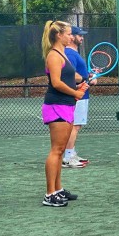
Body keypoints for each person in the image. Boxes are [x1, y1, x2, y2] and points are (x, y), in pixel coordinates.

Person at [41, 20, 88, 207]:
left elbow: (67, 79)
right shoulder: (53, 55)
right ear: (58, 35)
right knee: (56, 150)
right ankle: (49, 194)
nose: (71, 36)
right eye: (68, 33)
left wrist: (79, 85)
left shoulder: (64, 54)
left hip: (66, 105)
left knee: (60, 152)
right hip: (56, 106)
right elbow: (57, 83)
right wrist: (76, 92)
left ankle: (57, 189)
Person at [63, 26, 96, 168]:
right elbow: (70, 75)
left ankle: (71, 153)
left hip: (82, 94)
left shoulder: (74, 53)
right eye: (79, 35)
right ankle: (68, 157)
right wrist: (87, 80)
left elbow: (79, 74)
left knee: (76, 126)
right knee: (74, 127)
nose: (82, 38)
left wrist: (89, 75)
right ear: (72, 37)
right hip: (78, 96)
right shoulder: (70, 54)